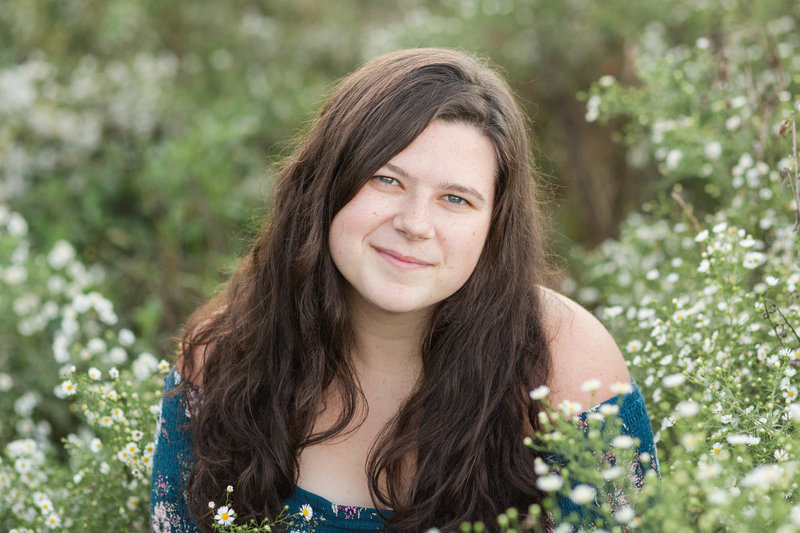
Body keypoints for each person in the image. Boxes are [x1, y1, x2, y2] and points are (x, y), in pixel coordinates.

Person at [150, 48, 657, 533]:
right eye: (387, 180)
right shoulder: (221, 356)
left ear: (494, 227)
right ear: (326, 185)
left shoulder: (565, 359)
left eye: (456, 199)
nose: (415, 224)